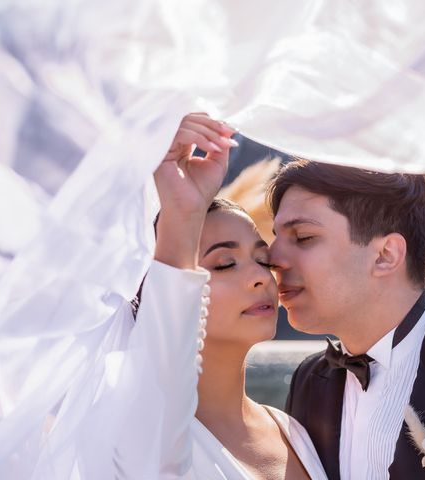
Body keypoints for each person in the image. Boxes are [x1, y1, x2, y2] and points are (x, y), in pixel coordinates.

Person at [108, 114, 328, 479]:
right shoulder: (140, 430)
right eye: (225, 264)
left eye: (262, 258)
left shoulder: (294, 432)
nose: (260, 276)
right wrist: (182, 212)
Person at [266, 160, 425, 479]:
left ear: (386, 256)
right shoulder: (309, 380)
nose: (273, 259)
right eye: (275, 237)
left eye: (303, 237)